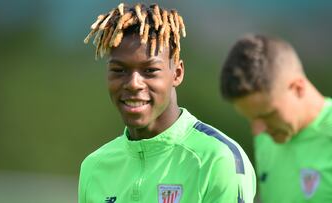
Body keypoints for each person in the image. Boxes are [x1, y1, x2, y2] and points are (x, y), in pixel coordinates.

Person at [79, 3, 256, 203]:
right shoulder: (94, 167)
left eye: (150, 71)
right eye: (119, 70)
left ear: (177, 73)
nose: (133, 84)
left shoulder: (217, 159)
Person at [220, 34, 332, 202]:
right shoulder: (268, 135)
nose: (258, 128)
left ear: (297, 88)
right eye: (251, 118)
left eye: (267, 115)